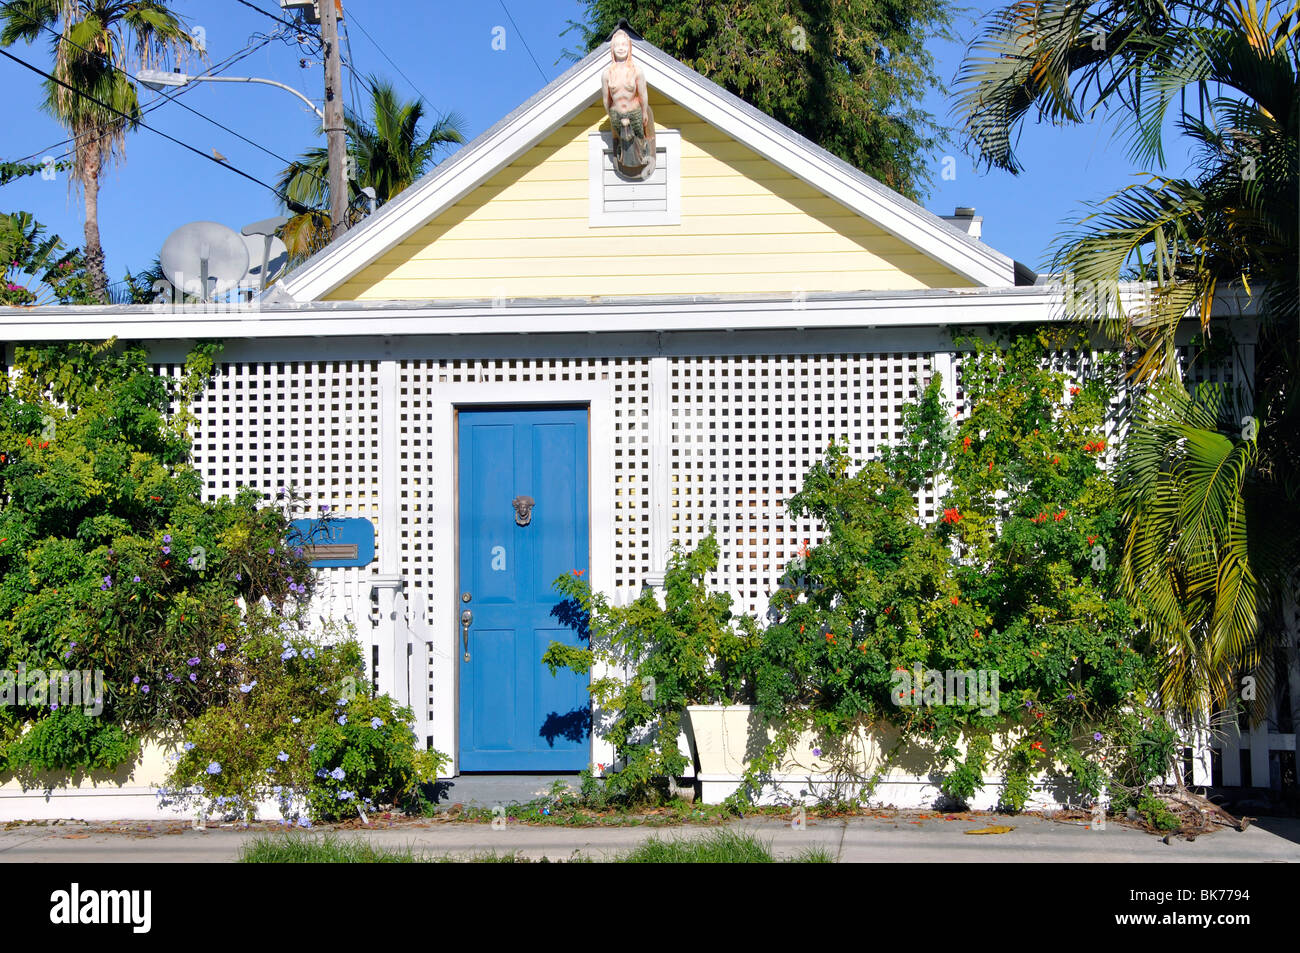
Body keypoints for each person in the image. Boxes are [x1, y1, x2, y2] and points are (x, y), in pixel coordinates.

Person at [602, 29, 656, 179]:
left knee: (638, 136)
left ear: (629, 47)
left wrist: (644, 111)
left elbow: (643, 94)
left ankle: (643, 157)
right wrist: (610, 115)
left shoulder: (636, 71)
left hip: (634, 110)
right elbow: (606, 99)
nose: (621, 48)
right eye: (617, 45)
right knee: (623, 140)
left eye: (624, 44)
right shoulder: (607, 74)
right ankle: (622, 158)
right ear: (612, 48)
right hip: (616, 113)